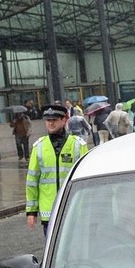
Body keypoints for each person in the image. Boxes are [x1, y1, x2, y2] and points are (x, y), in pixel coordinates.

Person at [26, 103, 89, 240]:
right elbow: (32, 180)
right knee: (53, 252)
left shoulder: (78, 145)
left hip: (73, 209)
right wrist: (31, 212)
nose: (51, 124)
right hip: (48, 212)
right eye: (48, 120)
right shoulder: (39, 147)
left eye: (54, 120)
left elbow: (87, 180)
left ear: (64, 120)